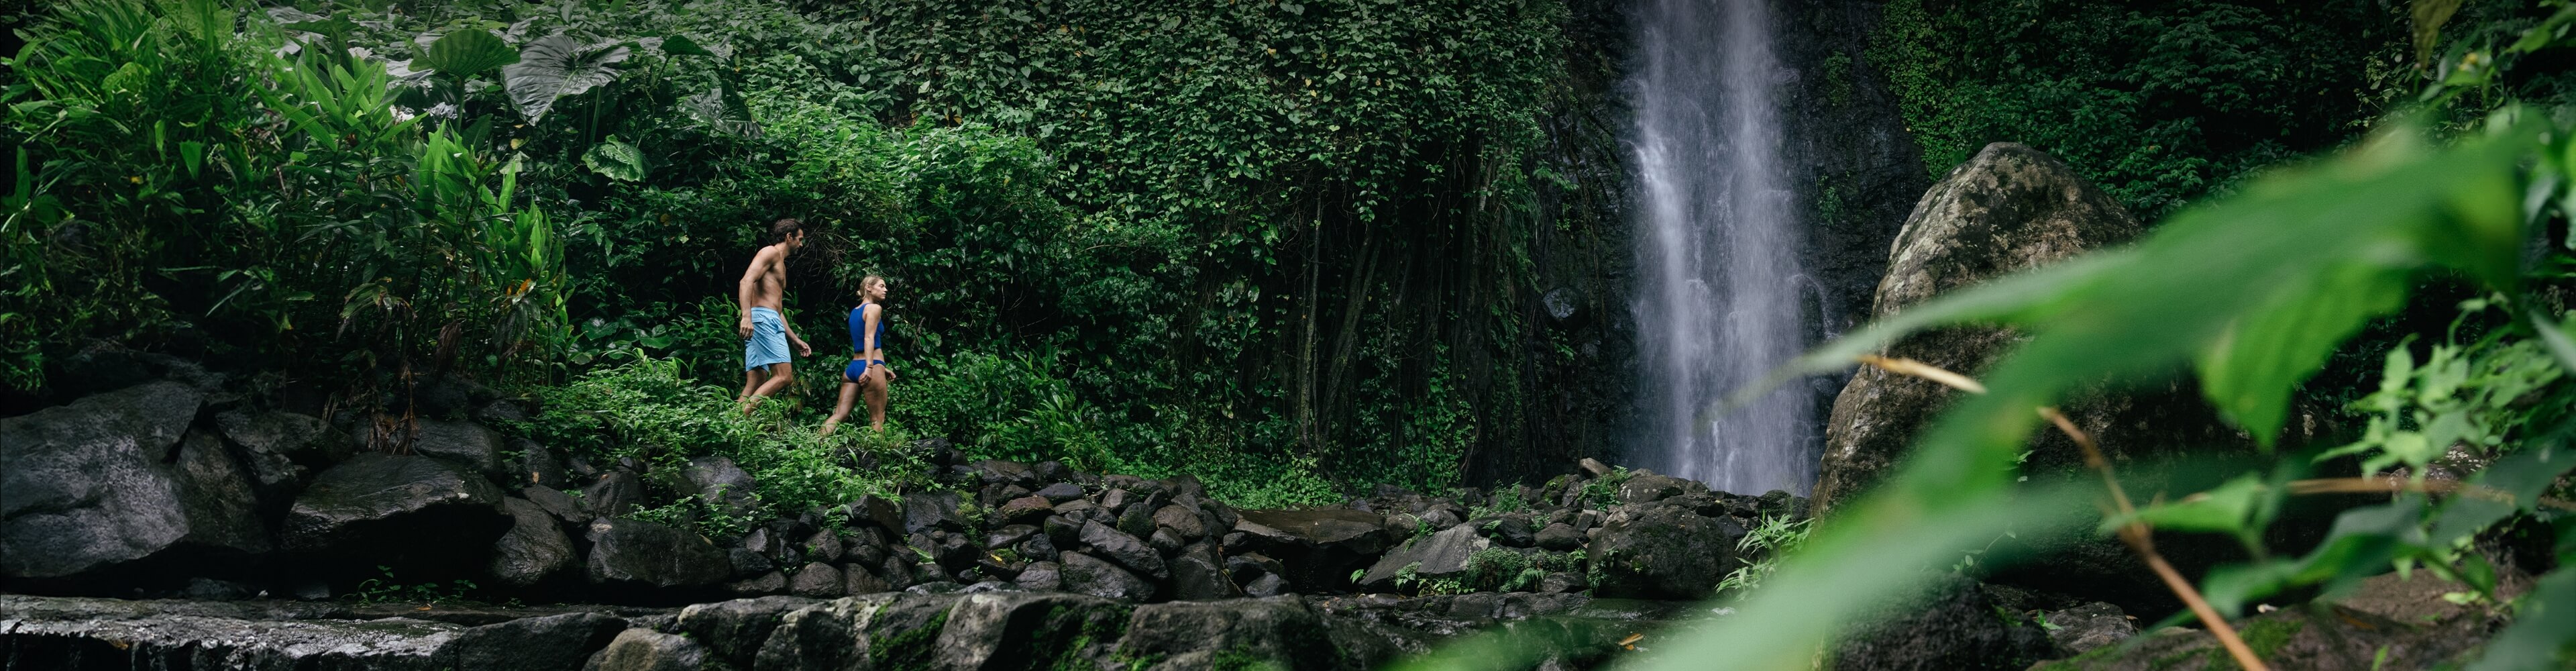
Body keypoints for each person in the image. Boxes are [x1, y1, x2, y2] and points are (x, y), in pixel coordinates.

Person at [736, 218, 814, 415]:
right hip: (762, 320)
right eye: (799, 239)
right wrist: (746, 317)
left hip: (767, 318)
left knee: (758, 379)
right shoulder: (769, 252)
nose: (801, 244)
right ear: (789, 237)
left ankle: (730, 421)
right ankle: (739, 420)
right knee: (784, 376)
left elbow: (776, 310)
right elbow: (746, 281)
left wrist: (794, 339)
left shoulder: (780, 263)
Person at [822, 275, 895, 435]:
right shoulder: (874, 308)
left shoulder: (855, 312)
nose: (885, 290)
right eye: (882, 286)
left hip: (853, 368)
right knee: (877, 419)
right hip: (870, 365)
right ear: (869, 288)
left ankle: (814, 446)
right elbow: (869, 338)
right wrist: (871, 367)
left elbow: (862, 341)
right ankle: (877, 459)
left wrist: (882, 369)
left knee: (839, 414)